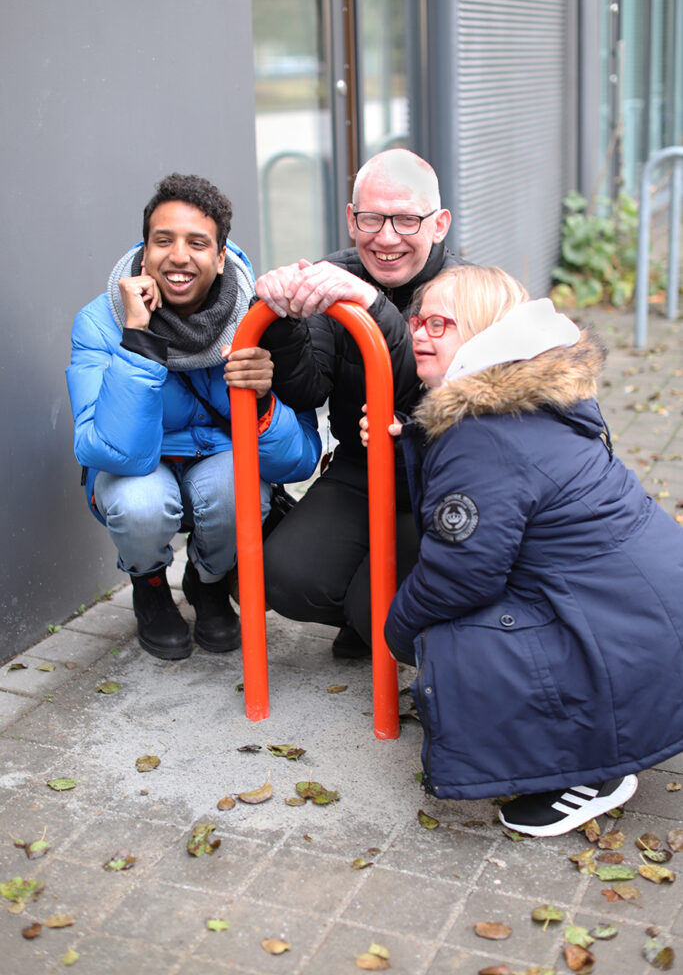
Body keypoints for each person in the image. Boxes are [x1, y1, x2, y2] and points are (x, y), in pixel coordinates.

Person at [370, 264, 683, 837]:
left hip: (630, 637)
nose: (419, 332)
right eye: (418, 319)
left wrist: (396, 633)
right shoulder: (519, 401)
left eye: (441, 323)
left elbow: (460, 575)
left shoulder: (479, 433)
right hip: (650, 613)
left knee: (444, 639)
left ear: (484, 333)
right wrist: (410, 440)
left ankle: (593, 771)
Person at [67, 174, 320, 662]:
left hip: (217, 459)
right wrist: (137, 340)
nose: (178, 256)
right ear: (145, 252)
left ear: (220, 257)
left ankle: (206, 581)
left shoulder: (260, 319)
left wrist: (262, 400)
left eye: (197, 243)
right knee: (139, 502)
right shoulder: (101, 321)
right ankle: (151, 584)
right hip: (141, 463)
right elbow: (107, 451)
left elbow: (300, 461)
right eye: (163, 240)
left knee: (237, 485)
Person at [255, 149, 465, 658]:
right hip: (360, 466)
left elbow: (421, 389)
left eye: (406, 220)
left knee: (384, 607)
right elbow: (308, 389)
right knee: (284, 577)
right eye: (371, 218)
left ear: (439, 225)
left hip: (440, 477)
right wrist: (282, 317)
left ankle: (378, 619)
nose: (387, 237)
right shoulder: (335, 274)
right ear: (352, 220)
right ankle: (361, 613)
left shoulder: (464, 292)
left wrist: (371, 307)